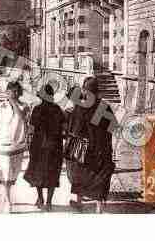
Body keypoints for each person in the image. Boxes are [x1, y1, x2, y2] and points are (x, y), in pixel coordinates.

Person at [66, 76, 115, 214]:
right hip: (101, 148)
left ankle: (79, 202)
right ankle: (98, 207)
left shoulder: (80, 107)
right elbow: (111, 127)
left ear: (85, 90)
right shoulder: (104, 107)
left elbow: (74, 129)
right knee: (100, 176)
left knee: (80, 173)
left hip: (83, 149)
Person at [23, 84, 65, 211]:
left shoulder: (37, 109)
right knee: (52, 174)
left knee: (38, 173)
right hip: (54, 146)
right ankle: (49, 202)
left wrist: (28, 141)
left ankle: (40, 199)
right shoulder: (58, 109)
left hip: (38, 146)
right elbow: (64, 128)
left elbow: (31, 129)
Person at [0, 81, 30, 213]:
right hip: (2, 145)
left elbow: (21, 117)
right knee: (6, 173)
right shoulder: (1, 107)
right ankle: (8, 201)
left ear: (18, 93)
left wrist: (13, 102)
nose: (12, 94)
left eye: (14, 91)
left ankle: (6, 191)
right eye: (9, 91)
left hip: (18, 146)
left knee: (14, 174)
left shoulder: (24, 106)